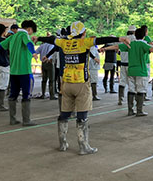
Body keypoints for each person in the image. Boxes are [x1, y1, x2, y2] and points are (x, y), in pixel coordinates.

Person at [34, 21, 131, 155]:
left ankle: (62, 143)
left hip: (66, 83)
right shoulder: (85, 42)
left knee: (64, 113)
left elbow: (51, 40)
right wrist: (120, 38)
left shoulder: (64, 43)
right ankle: (83, 146)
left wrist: (38, 38)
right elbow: (102, 39)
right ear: (83, 33)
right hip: (81, 83)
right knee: (82, 115)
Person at [0, 20, 39, 126]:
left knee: (13, 95)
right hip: (25, 71)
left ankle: (13, 119)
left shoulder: (12, 37)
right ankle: (26, 120)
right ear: (29, 29)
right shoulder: (24, 35)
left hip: (13, 71)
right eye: (32, 31)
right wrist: (33, 52)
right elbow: (28, 44)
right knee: (26, 95)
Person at [101, 27, 153, 117]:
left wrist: (105, 49)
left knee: (131, 89)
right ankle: (139, 110)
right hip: (141, 71)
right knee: (140, 90)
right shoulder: (143, 44)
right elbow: (151, 49)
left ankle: (130, 110)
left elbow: (116, 46)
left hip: (131, 70)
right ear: (144, 35)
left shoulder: (130, 44)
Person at [118, 26, 136, 105]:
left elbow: (118, 50)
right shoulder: (135, 39)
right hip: (131, 64)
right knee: (132, 83)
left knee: (122, 81)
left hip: (123, 63)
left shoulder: (123, 39)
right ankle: (133, 102)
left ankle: (120, 99)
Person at [36, 34, 56, 100]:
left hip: (43, 63)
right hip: (49, 62)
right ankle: (52, 95)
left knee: (44, 80)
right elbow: (51, 54)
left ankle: (43, 94)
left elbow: (36, 52)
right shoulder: (52, 45)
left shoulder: (42, 45)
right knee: (51, 80)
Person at [141, 25, 153, 101]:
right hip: (145, 61)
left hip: (137, 61)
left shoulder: (135, 39)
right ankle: (144, 95)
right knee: (145, 78)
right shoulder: (147, 38)